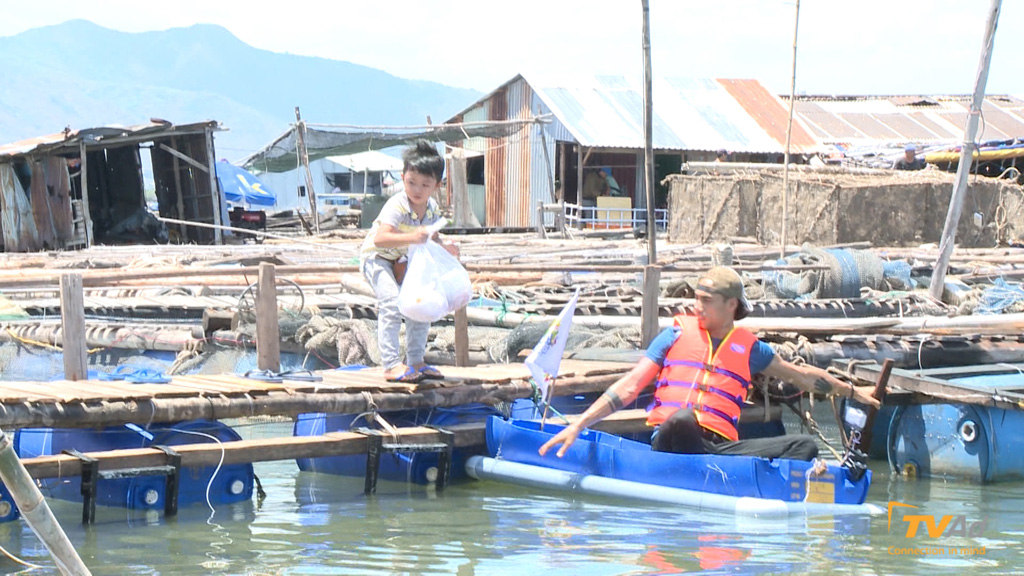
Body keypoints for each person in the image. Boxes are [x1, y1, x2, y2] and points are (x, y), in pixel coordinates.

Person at [539, 266, 880, 460]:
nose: (696, 307)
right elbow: (629, 387)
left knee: (803, 446)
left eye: (706, 300)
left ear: (732, 305)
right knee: (683, 418)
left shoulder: (750, 349)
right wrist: (579, 424)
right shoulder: (674, 335)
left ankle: (734, 476)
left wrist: (852, 390)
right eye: (695, 299)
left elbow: (803, 377)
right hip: (672, 440)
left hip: (717, 448)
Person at [360, 140, 457, 383]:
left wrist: (447, 249)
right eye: (411, 182)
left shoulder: (432, 209)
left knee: (419, 305)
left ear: (437, 185)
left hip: (404, 262)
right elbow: (381, 239)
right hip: (377, 259)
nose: (417, 189)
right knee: (391, 303)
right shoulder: (398, 204)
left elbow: (432, 238)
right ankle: (391, 365)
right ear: (403, 177)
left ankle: (416, 361)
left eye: (425, 184)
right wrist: (412, 236)